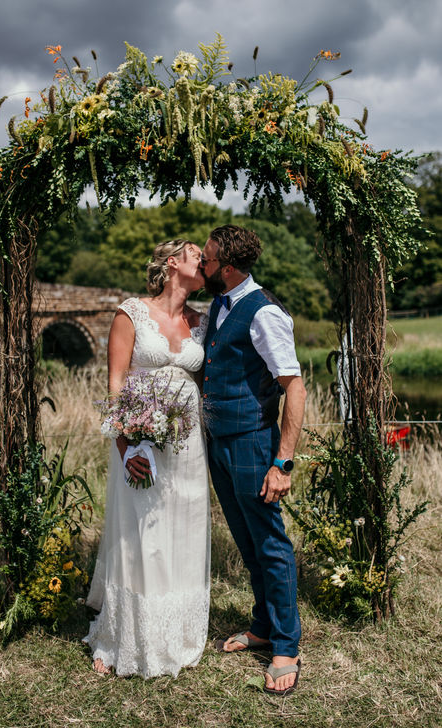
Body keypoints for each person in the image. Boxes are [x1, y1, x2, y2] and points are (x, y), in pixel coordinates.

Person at [84, 239, 210, 679]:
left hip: (188, 444)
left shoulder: (203, 321)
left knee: (184, 527)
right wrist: (126, 447)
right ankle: (122, 635)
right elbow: (115, 383)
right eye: (197, 254)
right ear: (173, 263)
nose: (205, 260)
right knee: (140, 530)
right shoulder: (131, 313)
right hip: (140, 443)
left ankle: (177, 631)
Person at [200, 224, 306, 696]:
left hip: (253, 442)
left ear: (226, 267)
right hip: (219, 443)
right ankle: (262, 626)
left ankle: (286, 645)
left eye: (206, 259)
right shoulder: (219, 305)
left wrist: (282, 464)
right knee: (247, 543)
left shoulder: (263, 312)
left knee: (270, 543)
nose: (202, 265)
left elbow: (294, 387)